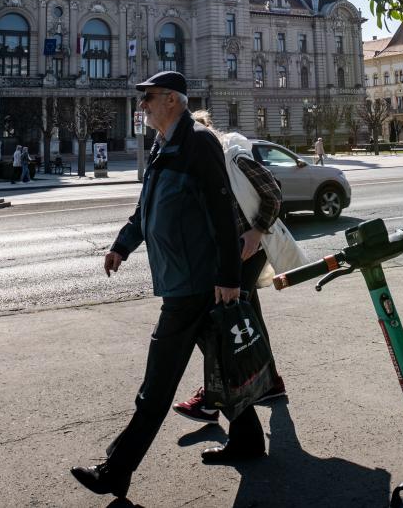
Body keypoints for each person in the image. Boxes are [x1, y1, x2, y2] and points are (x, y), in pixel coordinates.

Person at [71, 72, 261, 500]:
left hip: (194, 284)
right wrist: (122, 245)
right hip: (183, 278)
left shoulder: (198, 142)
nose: (142, 107)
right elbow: (147, 209)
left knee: (157, 384)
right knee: (224, 362)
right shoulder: (164, 145)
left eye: (149, 99)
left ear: (172, 101)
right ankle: (248, 439)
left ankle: (116, 471)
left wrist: (229, 278)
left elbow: (220, 211)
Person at [171, 110, 290, 424]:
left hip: (250, 247)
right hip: (233, 250)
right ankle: (271, 382)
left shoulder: (233, 158)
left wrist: (257, 230)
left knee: (224, 316)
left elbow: (274, 193)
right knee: (247, 314)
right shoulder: (202, 166)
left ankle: (212, 399)